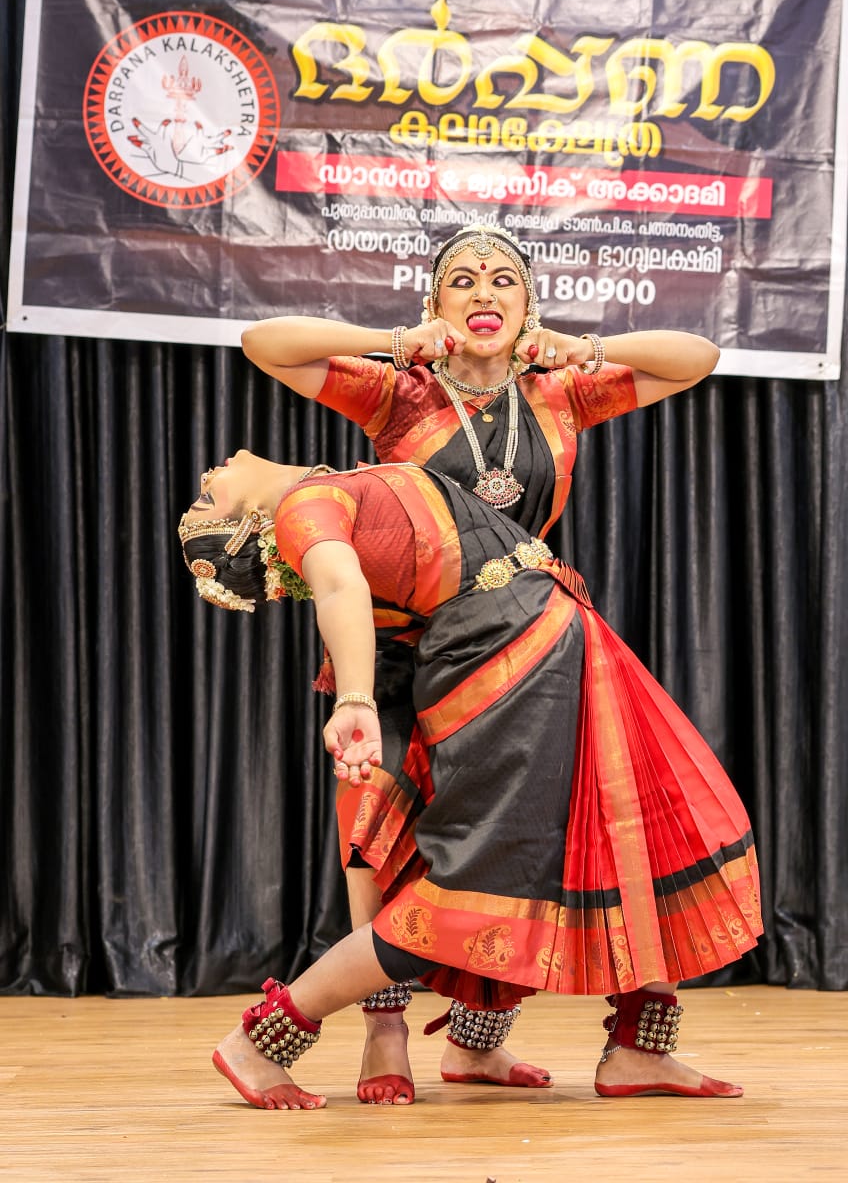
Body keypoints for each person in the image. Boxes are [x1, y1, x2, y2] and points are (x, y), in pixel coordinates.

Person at [239, 221, 724, 1100]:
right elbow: (263, 343)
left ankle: (477, 1042)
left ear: (528, 303)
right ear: (436, 302)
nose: (484, 292)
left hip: (513, 643)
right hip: (400, 648)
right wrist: (395, 341)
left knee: (531, 837)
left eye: (504, 279)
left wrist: (584, 347)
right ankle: (384, 1034)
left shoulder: (562, 394)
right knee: (377, 838)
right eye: (461, 280)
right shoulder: (398, 394)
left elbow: (698, 358)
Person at [178, 450, 763, 1110]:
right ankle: (261, 1040)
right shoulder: (301, 510)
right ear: (248, 525)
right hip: (507, 661)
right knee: (476, 890)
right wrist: (355, 700)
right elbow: (341, 587)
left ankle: (634, 1046)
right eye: (207, 500)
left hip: (547, 640)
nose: (208, 476)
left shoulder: (343, 487)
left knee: (641, 833)